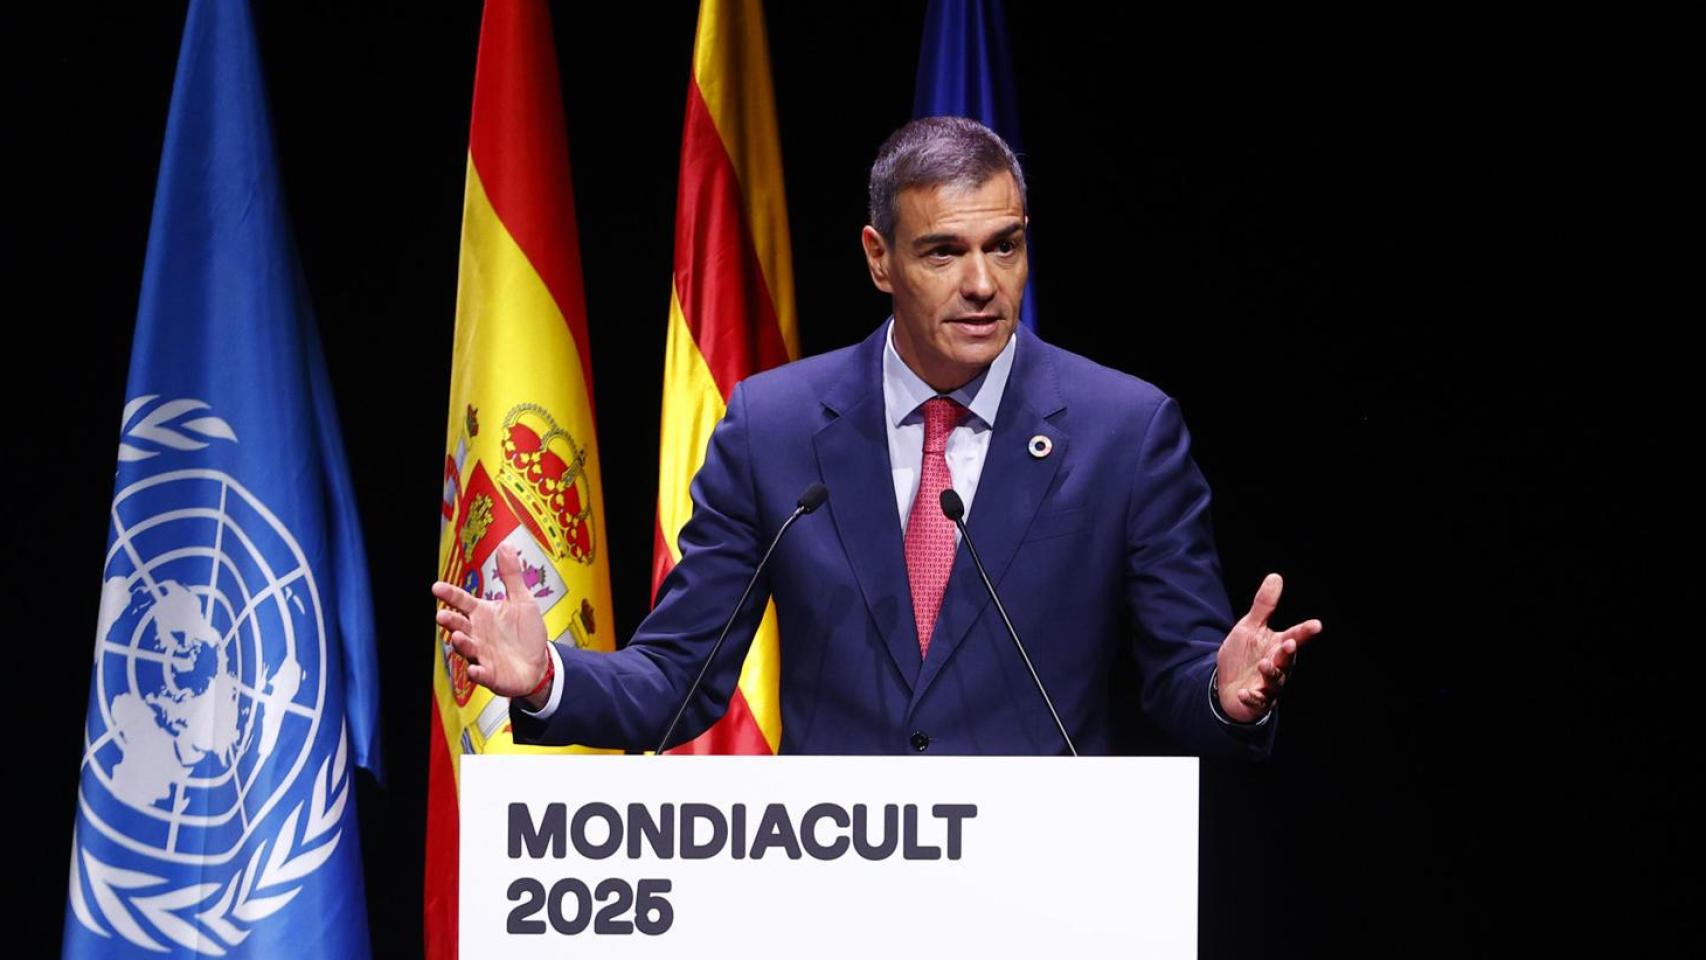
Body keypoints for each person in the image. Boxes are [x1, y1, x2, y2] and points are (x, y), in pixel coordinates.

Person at [431, 116, 1321, 755]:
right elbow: (677, 679)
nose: (982, 282)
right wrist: (549, 675)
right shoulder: (775, 427)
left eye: (1004, 246)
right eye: (944, 252)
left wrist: (1226, 691)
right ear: (877, 257)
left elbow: (1180, 682)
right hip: (841, 894)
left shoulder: (1124, 432)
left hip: (1045, 893)